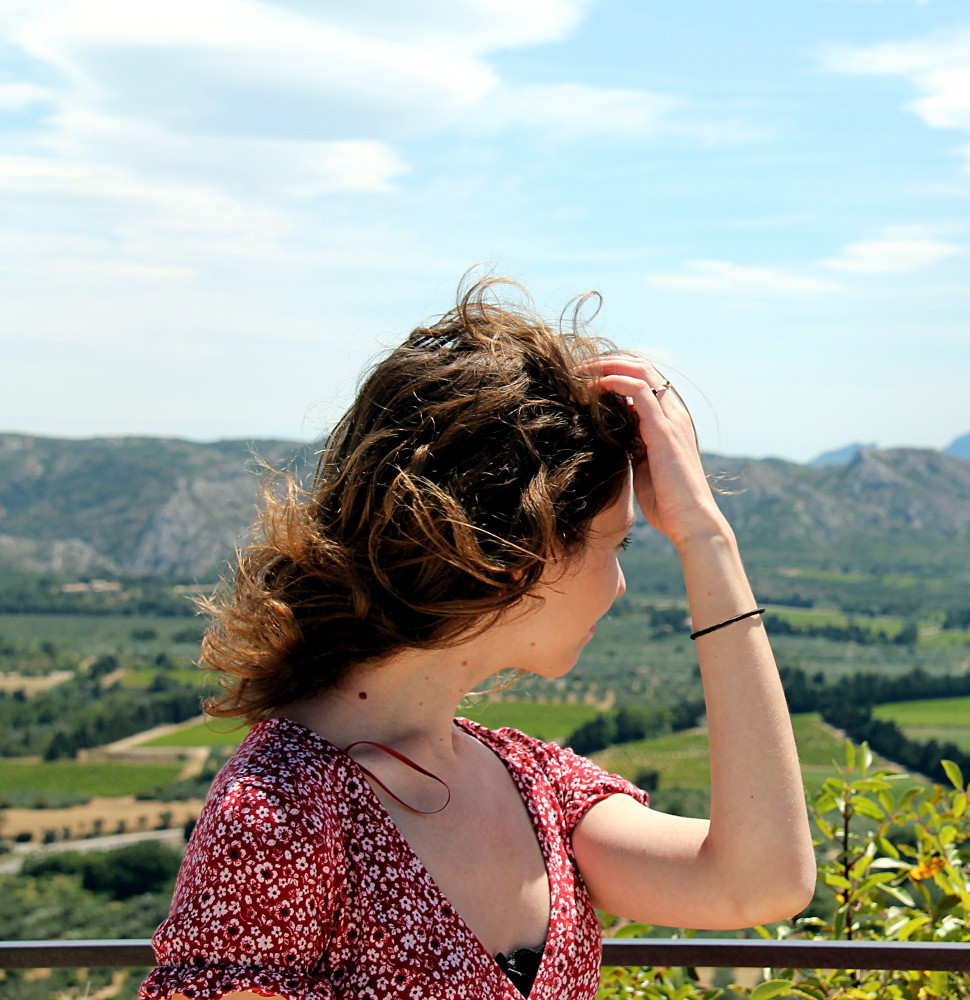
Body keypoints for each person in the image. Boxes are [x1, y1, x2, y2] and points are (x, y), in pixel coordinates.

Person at [139, 278, 815, 1000]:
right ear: (516, 552)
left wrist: (707, 538)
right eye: (612, 545)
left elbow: (763, 880)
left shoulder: (538, 790)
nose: (619, 586)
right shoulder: (284, 815)